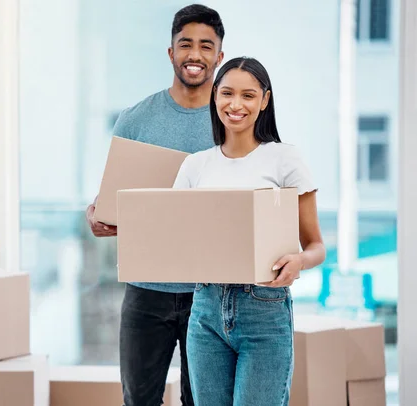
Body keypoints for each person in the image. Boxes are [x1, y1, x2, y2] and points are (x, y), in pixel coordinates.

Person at [85, 4, 225, 405]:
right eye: (185, 44)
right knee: (139, 401)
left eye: (205, 46)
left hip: (210, 292)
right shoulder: (134, 120)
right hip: (146, 291)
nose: (194, 55)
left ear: (219, 55)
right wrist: (96, 215)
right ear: (170, 53)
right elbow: (109, 198)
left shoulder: (232, 119)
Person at [173, 56, 326, 406]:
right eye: (227, 93)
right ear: (215, 97)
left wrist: (298, 262)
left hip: (264, 309)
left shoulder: (285, 160)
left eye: (248, 95)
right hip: (205, 310)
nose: (236, 105)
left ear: (264, 101)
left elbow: (316, 245)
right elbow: (178, 237)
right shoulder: (195, 166)